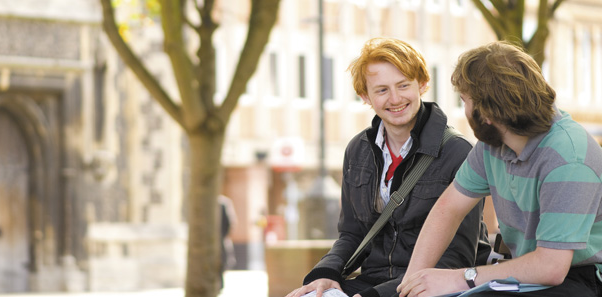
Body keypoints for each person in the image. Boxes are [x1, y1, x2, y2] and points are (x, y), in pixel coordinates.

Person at [285, 37, 491, 297]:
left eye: (403, 85)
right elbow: (351, 233)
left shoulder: (458, 152)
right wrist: (325, 273)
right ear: (365, 96)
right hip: (372, 281)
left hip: (434, 286)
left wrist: (377, 295)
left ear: (422, 84)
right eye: (381, 90)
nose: (395, 99)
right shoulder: (357, 150)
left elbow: (456, 258)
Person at [396, 41, 602, 297]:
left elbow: (551, 267)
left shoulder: (568, 157)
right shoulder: (493, 145)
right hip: (530, 270)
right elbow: (448, 210)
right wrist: (411, 285)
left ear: (487, 113)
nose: (464, 110)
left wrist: (463, 277)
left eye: (465, 101)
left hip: (583, 276)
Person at [218, 194, 237, 289]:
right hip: (221, 239)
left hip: (221, 239)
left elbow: (230, 223)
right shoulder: (224, 203)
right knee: (222, 262)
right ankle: (220, 284)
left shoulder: (223, 203)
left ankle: (219, 284)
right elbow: (231, 222)